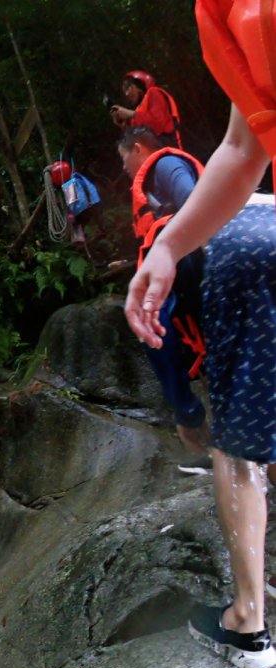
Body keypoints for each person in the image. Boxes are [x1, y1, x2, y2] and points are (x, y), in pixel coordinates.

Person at [126, 77, 276, 668]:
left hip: (239, 242)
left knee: (236, 452)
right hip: (269, 220)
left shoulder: (166, 186)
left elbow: (157, 334)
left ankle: (247, 621)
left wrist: (187, 414)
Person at [118, 125, 209, 451]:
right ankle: (201, 424)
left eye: (124, 158)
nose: (124, 168)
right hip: (185, 259)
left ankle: (188, 416)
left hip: (186, 258)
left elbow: (191, 199)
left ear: (139, 149)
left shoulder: (163, 164)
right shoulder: (159, 173)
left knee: (149, 321)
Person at [110, 70, 182, 149]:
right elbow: (134, 138)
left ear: (139, 85)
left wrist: (131, 114)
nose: (127, 94)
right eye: (125, 91)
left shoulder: (154, 92)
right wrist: (122, 124)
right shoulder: (139, 111)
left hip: (168, 149)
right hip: (154, 152)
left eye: (129, 87)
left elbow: (158, 122)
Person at [50, 160, 103, 239]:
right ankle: (101, 229)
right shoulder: (77, 176)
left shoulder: (69, 186)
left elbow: (75, 207)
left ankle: (78, 240)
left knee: (72, 220)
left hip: (86, 209)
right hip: (96, 202)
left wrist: (62, 208)